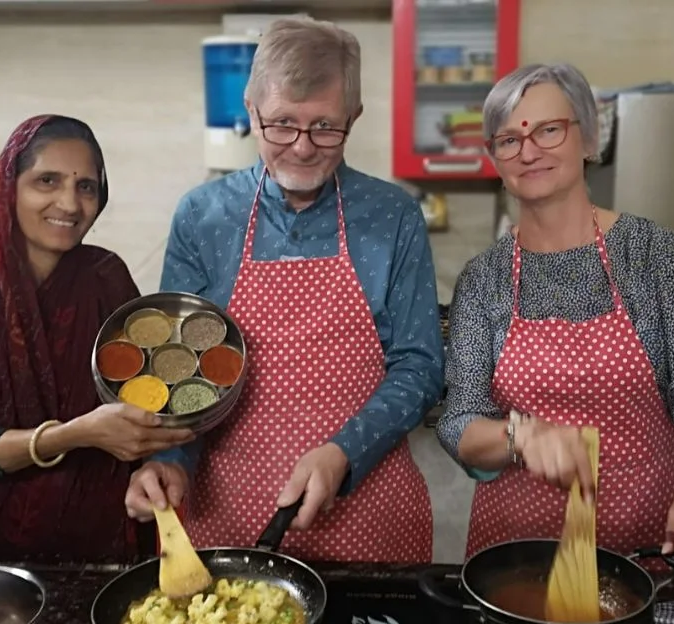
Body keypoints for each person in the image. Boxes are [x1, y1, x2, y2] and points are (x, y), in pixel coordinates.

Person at [123, 18, 443, 563]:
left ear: (354, 118)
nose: (301, 147)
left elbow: (420, 366)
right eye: (282, 125)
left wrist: (345, 452)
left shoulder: (393, 216)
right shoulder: (203, 217)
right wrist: (169, 461)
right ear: (250, 111)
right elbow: (179, 374)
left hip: (368, 513)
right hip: (226, 514)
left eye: (324, 126)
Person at [436, 63, 674, 581]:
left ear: (588, 137)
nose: (529, 151)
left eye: (549, 130)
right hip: (517, 553)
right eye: (509, 139)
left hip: (646, 545)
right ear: (495, 158)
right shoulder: (483, 277)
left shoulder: (652, 252)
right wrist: (522, 436)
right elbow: (458, 419)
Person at [0, 115, 194, 563]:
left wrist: (155, 464)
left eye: (86, 186)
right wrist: (73, 435)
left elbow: (148, 396)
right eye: (46, 180)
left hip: (106, 541)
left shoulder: (107, 278)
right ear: (9, 187)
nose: (69, 202)